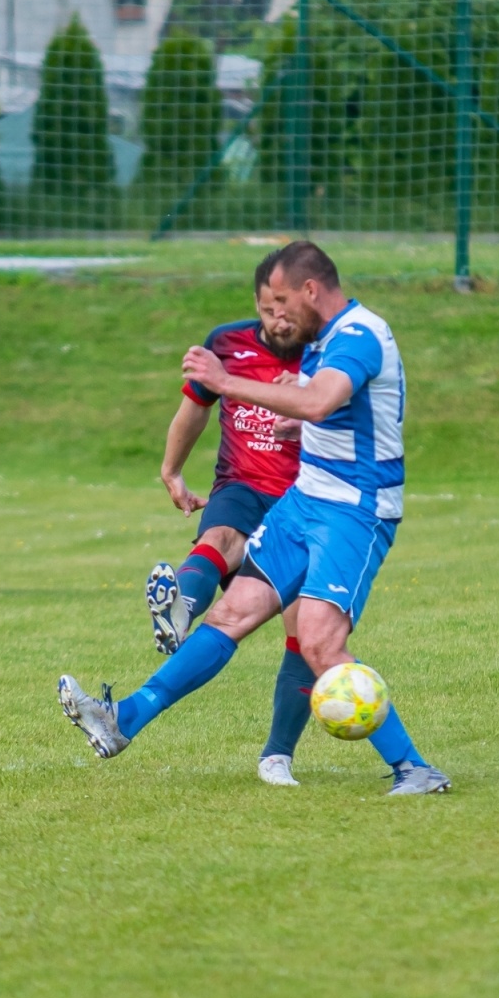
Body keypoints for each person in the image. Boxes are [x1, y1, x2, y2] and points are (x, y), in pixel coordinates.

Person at [57, 241, 451, 795]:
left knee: (317, 642)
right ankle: (123, 719)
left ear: (312, 290)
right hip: (305, 501)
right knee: (230, 614)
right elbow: (324, 414)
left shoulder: (360, 335)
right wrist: (300, 424)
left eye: (285, 301)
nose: (278, 316)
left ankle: (414, 768)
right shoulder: (321, 343)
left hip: (354, 512)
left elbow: (320, 402)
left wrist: (228, 383)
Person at [143, 254, 321, 786]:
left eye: (285, 308)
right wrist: (172, 471)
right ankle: (180, 609)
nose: (278, 320)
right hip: (241, 486)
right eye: (268, 309)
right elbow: (194, 409)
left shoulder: (329, 352)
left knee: (305, 634)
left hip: (306, 500)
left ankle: (278, 755)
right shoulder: (225, 344)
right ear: (257, 305)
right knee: (220, 535)